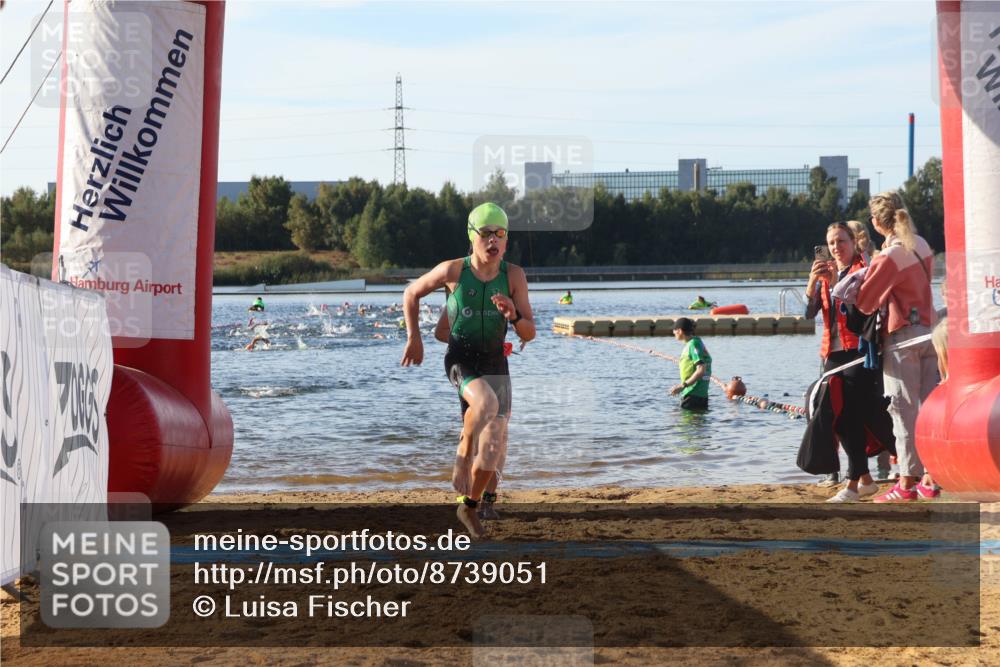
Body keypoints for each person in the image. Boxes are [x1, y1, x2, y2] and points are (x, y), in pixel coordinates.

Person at [401, 203, 536, 537]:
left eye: (500, 234)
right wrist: (413, 338)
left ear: (506, 241)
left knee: (494, 445)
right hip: (462, 360)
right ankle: (462, 452)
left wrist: (514, 317)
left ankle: (470, 506)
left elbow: (530, 332)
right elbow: (411, 292)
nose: (493, 240)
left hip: (495, 362)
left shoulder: (514, 276)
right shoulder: (453, 271)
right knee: (486, 407)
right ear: (472, 237)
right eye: (485, 233)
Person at [856, 192, 940, 502]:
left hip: (902, 336)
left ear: (876, 222)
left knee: (902, 411)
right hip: (929, 332)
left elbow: (865, 302)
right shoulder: (921, 245)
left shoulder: (888, 255)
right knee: (930, 407)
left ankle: (906, 482)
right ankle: (931, 477)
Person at [804, 222, 883, 502]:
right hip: (832, 354)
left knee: (849, 416)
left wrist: (838, 279)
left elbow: (858, 314)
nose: (836, 247)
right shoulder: (827, 274)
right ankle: (866, 479)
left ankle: (851, 485)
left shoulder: (863, 270)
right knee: (835, 416)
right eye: (832, 242)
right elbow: (808, 314)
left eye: (841, 241)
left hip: (858, 352)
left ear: (853, 243)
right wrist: (813, 283)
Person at [669, 317, 712, 411]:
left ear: (680, 331)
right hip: (701, 395)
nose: (673, 332)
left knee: (683, 424)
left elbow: (701, 369)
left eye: (674, 330)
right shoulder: (697, 341)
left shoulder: (693, 344)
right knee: (697, 424)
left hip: (692, 394)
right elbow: (696, 360)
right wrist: (682, 361)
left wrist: (682, 386)